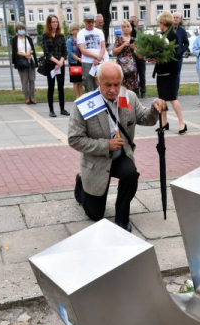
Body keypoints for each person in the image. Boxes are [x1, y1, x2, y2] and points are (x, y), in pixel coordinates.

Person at [69, 62, 166, 231]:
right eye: (107, 85)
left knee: (131, 174)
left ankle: (122, 217)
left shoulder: (128, 97)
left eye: (117, 84)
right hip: (97, 161)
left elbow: (146, 119)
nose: (113, 90)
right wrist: (106, 145)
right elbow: (75, 139)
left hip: (121, 156)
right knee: (95, 215)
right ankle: (81, 183)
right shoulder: (83, 105)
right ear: (98, 81)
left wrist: (155, 108)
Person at [153, 11, 187, 133]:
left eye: (159, 22)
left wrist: (158, 57)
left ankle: (182, 122)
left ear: (163, 23)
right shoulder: (162, 35)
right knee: (162, 98)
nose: (158, 25)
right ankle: (164, 122)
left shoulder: (171, 35)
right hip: (162, 70)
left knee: (172, 97)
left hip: (170, 71)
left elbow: (173, 54)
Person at [42, 14, 68, 117]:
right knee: (51, 87)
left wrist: (60, 62)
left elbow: (65, 52)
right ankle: (51, 110)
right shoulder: (45, 36)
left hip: (60, 65)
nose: (55, 23)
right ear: (49, 23)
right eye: (53, 22)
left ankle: (62, 108)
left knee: (61, 87)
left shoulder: (61, 36)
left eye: (56, 22)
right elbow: (46, 53)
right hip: (50, 65)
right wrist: (56, 62)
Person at [77, 12, 105, 93]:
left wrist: (99, 57)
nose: (91, 23)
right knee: (88, 85)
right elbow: (83, 50)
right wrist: (96, 56)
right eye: (89, 21)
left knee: (99, 84)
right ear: (84, 21)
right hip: (87, 62)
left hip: (99, 62)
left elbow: (103, 46)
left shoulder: (99, 32)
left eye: (93, 21)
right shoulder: (81, 33)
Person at [11, 22, 37, 105]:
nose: (21, 30)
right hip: (21, 62)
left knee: (32, 80)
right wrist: (25, 54)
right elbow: (15, 52)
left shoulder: (28, 38)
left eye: (22, 29)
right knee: (24, 81)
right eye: (20, 29)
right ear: (17, 30)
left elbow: (32, 49)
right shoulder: (15, 39)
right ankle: (27, 97)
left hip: (30, 61)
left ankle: (32, 97)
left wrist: (30, 53)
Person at [112, 20, 139, 92]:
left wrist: (134, 48)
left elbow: (139, 55)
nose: (126, 28)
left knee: (131, 86)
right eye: (124, 27)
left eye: (127, 26)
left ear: (130, 28)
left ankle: (130, 100)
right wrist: (123, 45)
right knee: (122, 84)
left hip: (131, 66)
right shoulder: (119, 39)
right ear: (122, 29)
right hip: (121, 64)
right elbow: (114, 52)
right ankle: (122, 100)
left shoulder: (133, 40)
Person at [172, 12, 189, 97]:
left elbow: (186, 43)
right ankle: (169, 92)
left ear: (180, 20)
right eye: (174, 17)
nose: (175, 19)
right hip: (168, 57)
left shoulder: (182, 31)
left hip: (178, 57)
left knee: (177, 75)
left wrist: (181, 51)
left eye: (177, 17)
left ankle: (175, 93)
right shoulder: (168, 29)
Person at [130, 15, 146, 98]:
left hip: (140, 55)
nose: (131, 23)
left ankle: (143, 91)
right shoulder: (129, 31)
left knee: (142, 75)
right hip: (132, 56)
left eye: (133, 21)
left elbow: (143, 42)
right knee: (134, 74)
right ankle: (136, 91)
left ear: (137, 22)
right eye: (130, 21)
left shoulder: (140, 30)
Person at [67, 22, 83, 98]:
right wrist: (77, 58)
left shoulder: (81, 39)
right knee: (76, 81)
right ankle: (77, 96)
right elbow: (69, 52)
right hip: (74, 62)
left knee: (81, 81)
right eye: (76, 29)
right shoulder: (69, 41)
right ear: (72, 31)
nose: (77, 30)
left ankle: (81, 95)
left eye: (78, 28)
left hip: (81, 62)